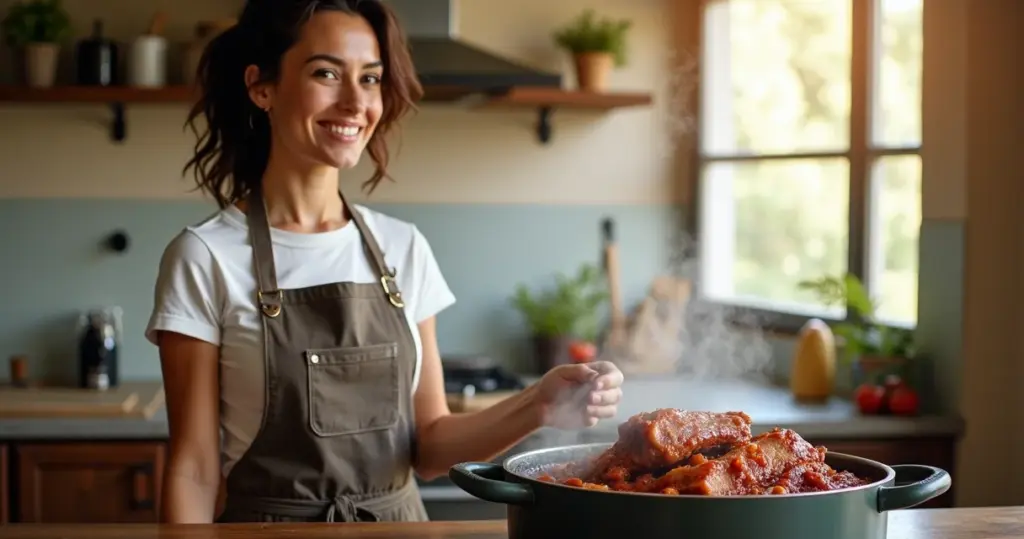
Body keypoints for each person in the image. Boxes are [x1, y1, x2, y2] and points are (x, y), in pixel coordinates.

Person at [145, 0, 624, 525]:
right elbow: (194, 467)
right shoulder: (205, 256)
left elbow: (433, 447)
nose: (355, 102)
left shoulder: (403, 247)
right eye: (326, 72)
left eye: (370, 79)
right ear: (262, 87)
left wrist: (539, 402)